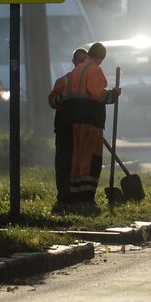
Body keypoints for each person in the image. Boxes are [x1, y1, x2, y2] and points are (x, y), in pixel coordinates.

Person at [63, 42, 121, 203]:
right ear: (101, 58)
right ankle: (87, 196)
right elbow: (99, 96)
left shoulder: (78, 70)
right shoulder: (95, 70)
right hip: (91, 121)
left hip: (77, 120)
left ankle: (75, 192)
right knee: (91, 158)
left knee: (78, 156)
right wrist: (114, 95)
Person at [47, 47, 89, 204]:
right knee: (64, 162)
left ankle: (79, 195)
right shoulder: (64, 81)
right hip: (65, 128)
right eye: (80, 61)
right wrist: (64, 98)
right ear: (73, 62)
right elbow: (52, 101)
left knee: (81, 163)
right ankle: (64, 195)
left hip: (83, 129)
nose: (82, 64)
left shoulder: (89, 82)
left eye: (85, 61)